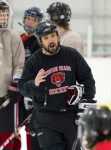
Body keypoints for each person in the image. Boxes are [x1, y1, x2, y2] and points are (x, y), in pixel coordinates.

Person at [18, 21, 96, 150]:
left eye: (53, 36)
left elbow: (88, 80)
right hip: (46, 119)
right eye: (46, 38)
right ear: (40, 41)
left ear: (58, 36)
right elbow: (22, 87)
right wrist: (34, 84)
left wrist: (84, 95)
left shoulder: (72, 55)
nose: (51, 40)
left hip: (71, 117)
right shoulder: (34, 61)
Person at [0, 0, 25, 149]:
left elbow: (20, 65)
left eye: (4, 14)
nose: (2, 17)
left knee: (9, 135)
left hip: (8, 98)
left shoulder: (14, 37)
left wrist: (15, 85)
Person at [20, 6, 44, 150]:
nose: (29, 22)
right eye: (28, 18)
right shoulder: (20, 39)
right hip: (19, 90)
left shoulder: (40, 42)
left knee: (34, 130)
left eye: (34, 20)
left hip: (33, 93)